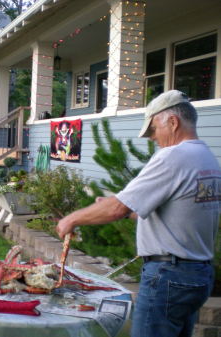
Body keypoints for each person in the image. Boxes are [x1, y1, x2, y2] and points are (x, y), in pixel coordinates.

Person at [56, 90, 220, 337]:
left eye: (154, 129)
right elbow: (172, 213)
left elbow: (117, 207)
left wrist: (71, 218)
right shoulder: (205, 157)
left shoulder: (173, 156)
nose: (152, 138)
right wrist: (120, 207)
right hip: (198, 274)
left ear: (173, 122)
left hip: (168, 277)